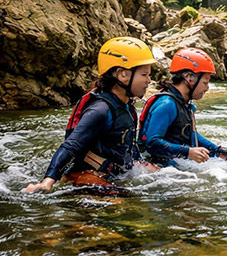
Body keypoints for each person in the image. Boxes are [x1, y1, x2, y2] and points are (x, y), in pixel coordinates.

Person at [25, 37, 158, 193]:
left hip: (112, 173)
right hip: (84, 175)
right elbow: (71, 146)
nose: (149, 80)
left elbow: (129, 149)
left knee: (161, 176)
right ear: (123, 75)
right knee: (123, 202)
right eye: (144, 74)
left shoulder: (127, 108)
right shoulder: (100, 110)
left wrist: (144, 166)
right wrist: (48, 180)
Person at [138, 48, 227, 167]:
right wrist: (188, 152)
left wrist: (217, 150)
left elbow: (191, 135)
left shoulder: (185, 103)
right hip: (155, 166)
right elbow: (152, 143)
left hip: (173, 162)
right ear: (190, 78)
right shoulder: (167, 104)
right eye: (205, 82)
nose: (207, 88)